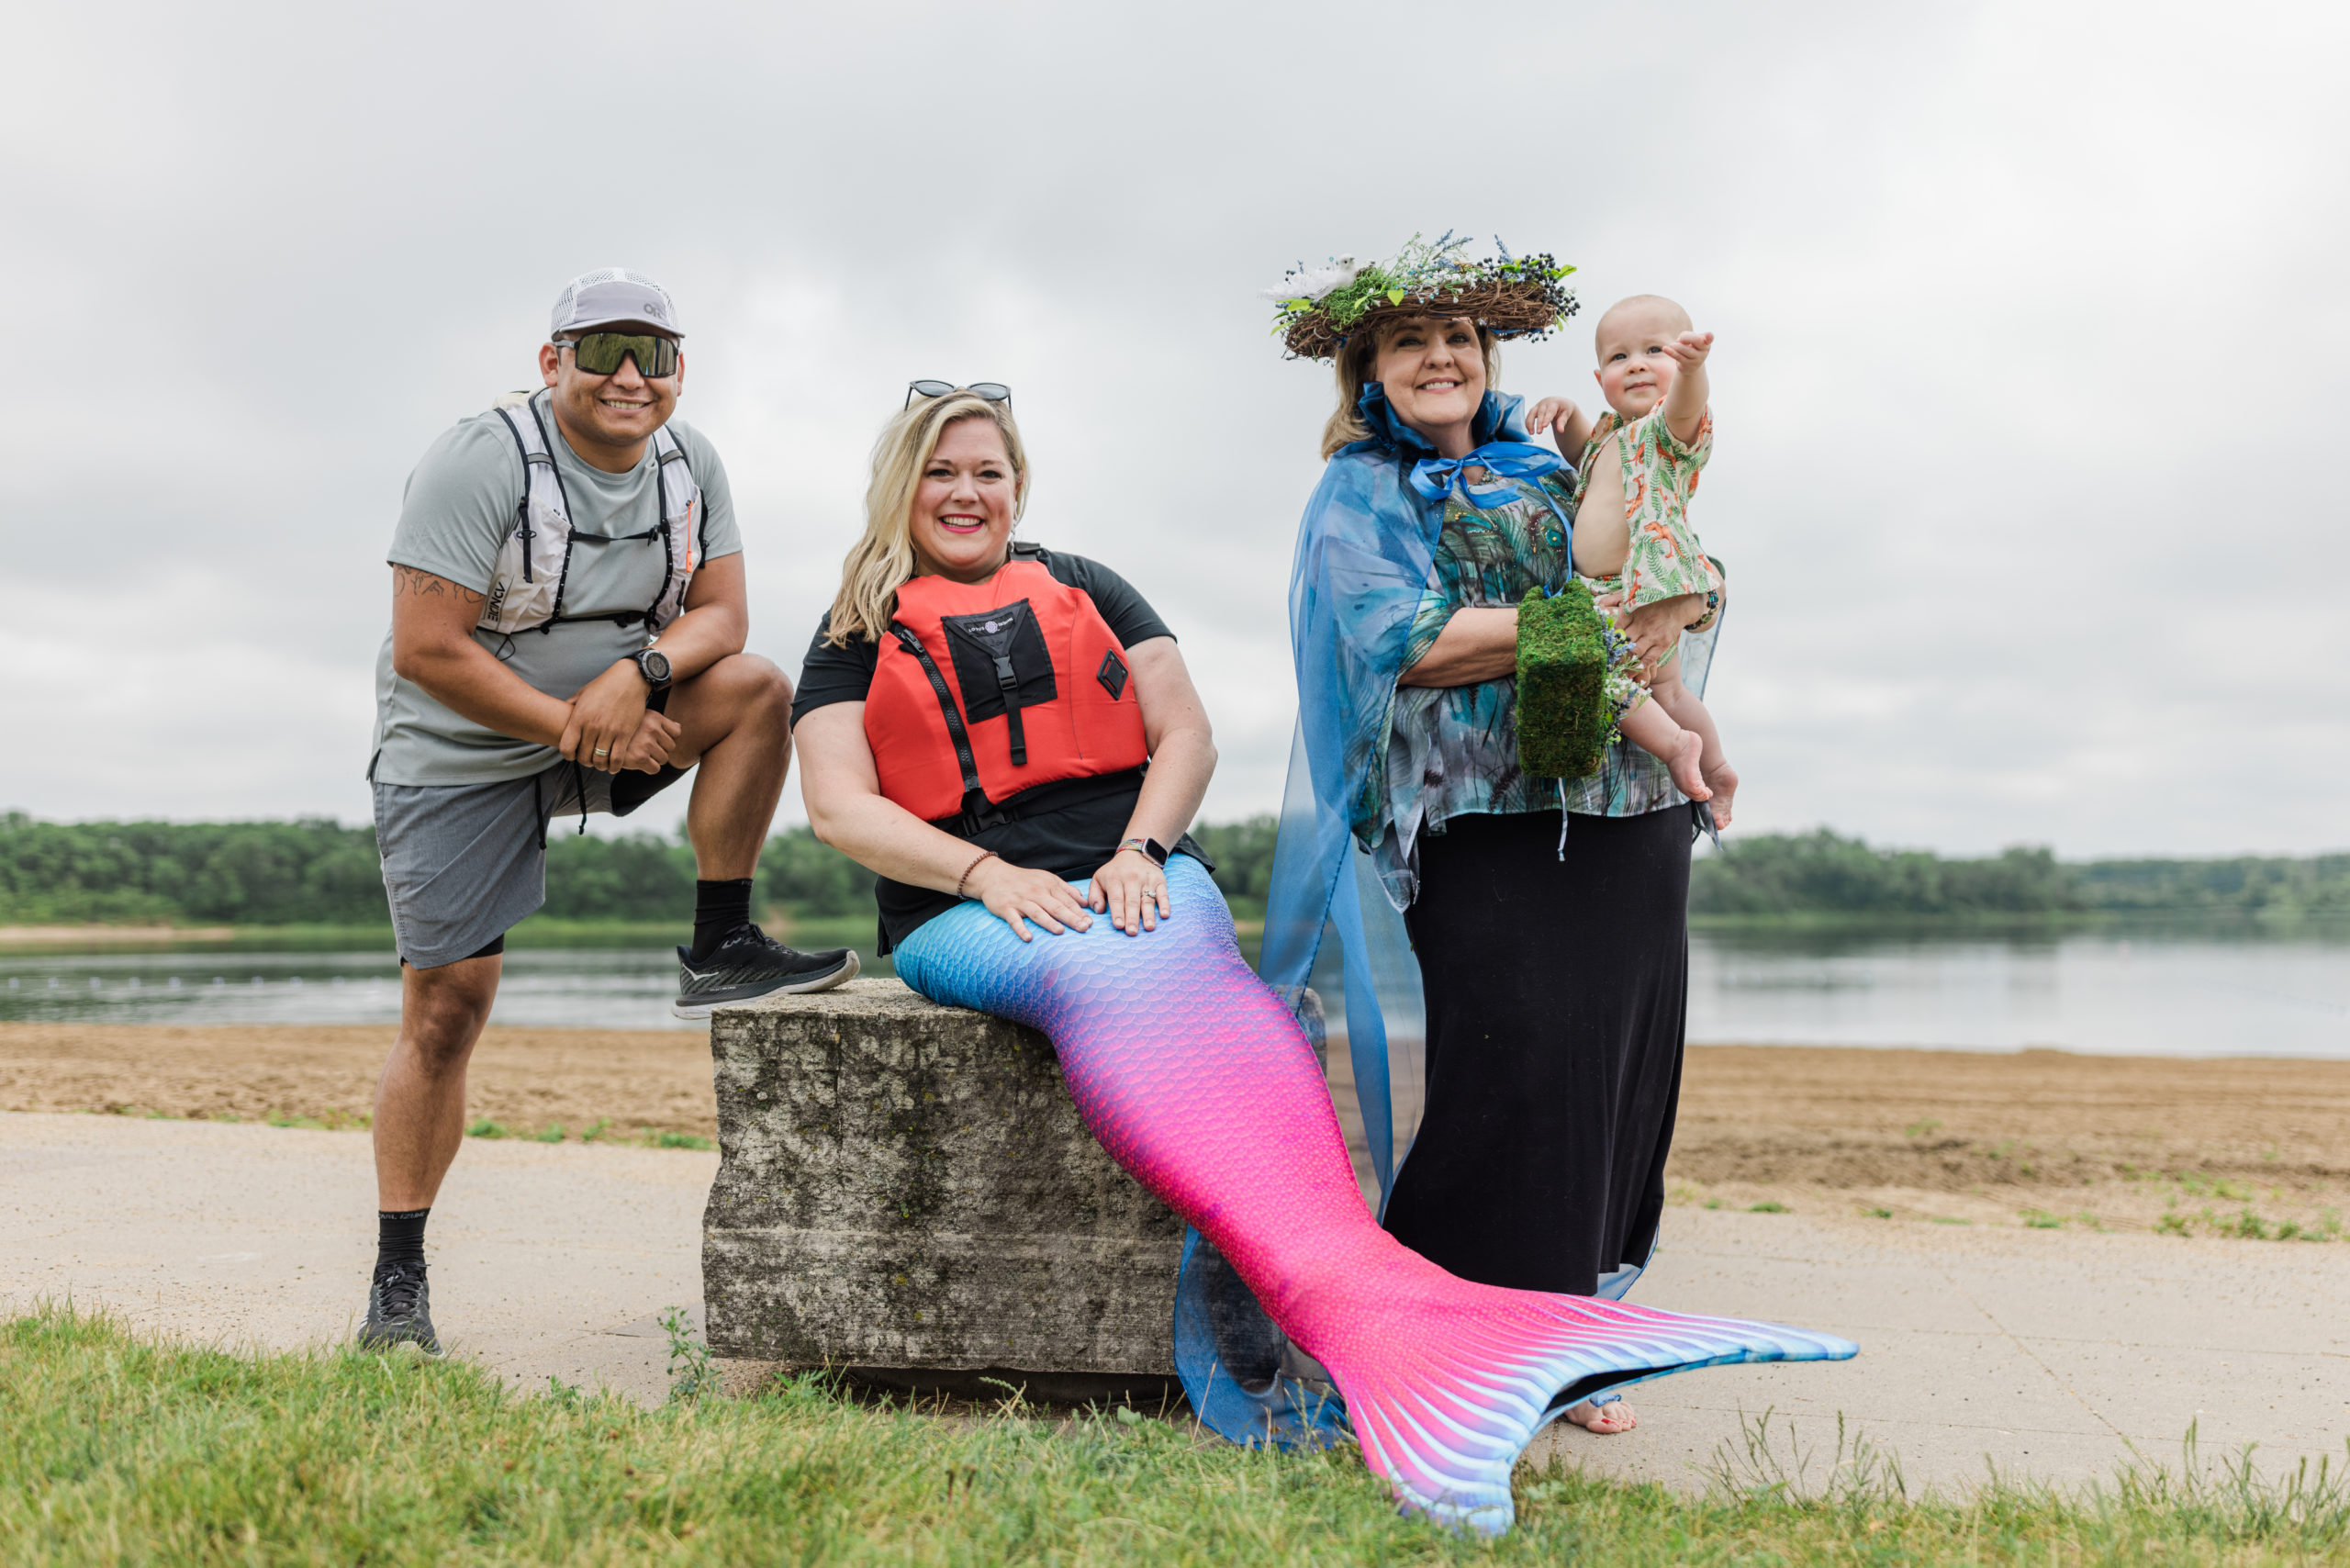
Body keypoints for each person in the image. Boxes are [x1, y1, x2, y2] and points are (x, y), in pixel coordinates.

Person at [793, 383, 1848, 1535]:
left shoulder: (1089, 586)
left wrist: (1143, 848)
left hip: (1139, 869)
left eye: (987, 470)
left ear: (1016, 483)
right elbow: (841, 807)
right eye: (943, 472)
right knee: (1095, 976)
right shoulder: (853, 627)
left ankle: (1421, 1324)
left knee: (1238, 1007)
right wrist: (990, 878)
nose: (966, 492)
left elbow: (1185, 732)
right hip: (969, 904)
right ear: (905, 484)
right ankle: (1413, 1331)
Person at [1259, 236, 1739, 1439]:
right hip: (1477, 818)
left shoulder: (1552, 448)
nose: (1442, 357)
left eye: (1461, 338)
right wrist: (1576, 619)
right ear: (1368, 370)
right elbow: (1405, 641)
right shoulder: (1357, 492)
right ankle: (1439, 1342)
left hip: (1629, 805)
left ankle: (1570, 1340)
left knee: (1616, 1074)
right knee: (1507, 1068)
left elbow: (1657, 524)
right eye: (1412, 341)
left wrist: (1683, 704)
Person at [359, 269, 854, 1355]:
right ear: (551, 363)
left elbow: (723, 613)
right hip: (459, 751)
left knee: (761, 690)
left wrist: (643, 671)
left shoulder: (694, 462)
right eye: (600, 350)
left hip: (617, 717)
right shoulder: (479, 458)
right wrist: (575, 726)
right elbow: (425, 648)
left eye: (653, 353)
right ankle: (399, 1280)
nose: (629, 375)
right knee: (446, 1012)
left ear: (680, 370)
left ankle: (719, 937)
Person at [1528, 292, 1737, 824]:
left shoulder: (1667, 432)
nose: (1637, 363)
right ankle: (1717, 769)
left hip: (1637, 585)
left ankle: (1675, 748)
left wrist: (1692, 372)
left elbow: (1688, 408)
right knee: (1668, 688)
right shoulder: (1610, 438)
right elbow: (1584, 456)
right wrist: (1569, 415)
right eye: (1619, 357)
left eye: (1655, 351)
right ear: (1601, 380)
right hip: (1614, 587)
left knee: (1598, 674)